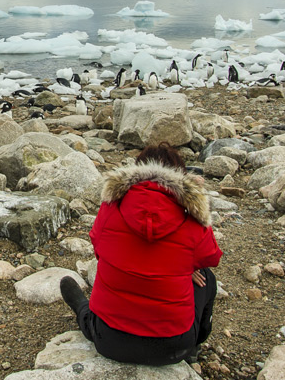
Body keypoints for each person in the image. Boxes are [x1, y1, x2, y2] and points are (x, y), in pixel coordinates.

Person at [60, 143, 222, 366]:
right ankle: (195, 345)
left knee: (92, 316)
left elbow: (99, 250)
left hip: (109, 340)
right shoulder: (190, 217)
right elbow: (212, 257)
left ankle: (81, 306)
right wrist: (197, 202)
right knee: (206, 277)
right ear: (181, 177)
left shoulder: (111, 207)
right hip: (173, 347)